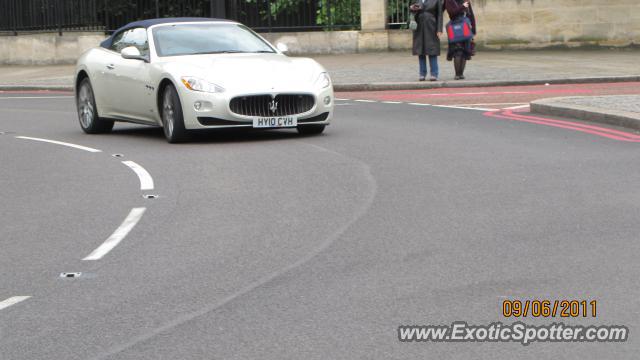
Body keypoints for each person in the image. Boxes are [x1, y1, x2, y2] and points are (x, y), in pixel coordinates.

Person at [410, 0, 443, 81]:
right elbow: (411, 12)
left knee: (432, 49)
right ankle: (422, 73)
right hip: (419, 26)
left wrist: (439, 29)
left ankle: (434, 73)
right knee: (420, 50)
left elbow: (439, 15)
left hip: (432, 26)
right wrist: (412, 9)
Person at [445, 0, 476, 80]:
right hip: (455, 27)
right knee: (458, 51)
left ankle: (461, 74)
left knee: (465, 51)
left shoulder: (466, 0)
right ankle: (457, 74)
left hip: (465, 27)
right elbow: (451, 14)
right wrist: (462, 7)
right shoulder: (449, 1)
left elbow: (471, 15)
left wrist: (473, 30)